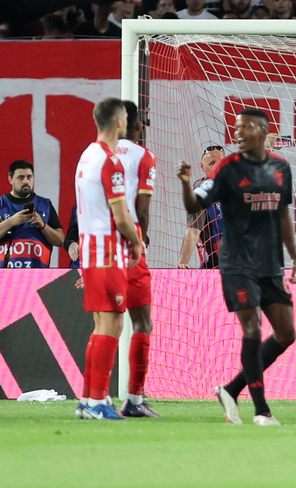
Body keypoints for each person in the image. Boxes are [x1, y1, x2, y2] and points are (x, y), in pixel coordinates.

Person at [177, 109, 296, 426]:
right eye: (236, 127)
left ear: (262, 130)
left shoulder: (280, 168)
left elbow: (283, 215)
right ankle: (261, 410)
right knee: (252, 328)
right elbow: (194, 206)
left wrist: (294, 257)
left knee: (286, 334)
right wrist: (185, 183)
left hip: (270, 264)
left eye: (245, 127)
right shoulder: (226, 169)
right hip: (237, 262)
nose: (238, 132)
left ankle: (231, 389)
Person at [74, 98, 144, 420]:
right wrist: (137, 242)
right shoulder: (109, 162)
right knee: (113, 323)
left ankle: (88, 399)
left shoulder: (85, 156)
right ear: (119, 122)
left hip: (90, 252)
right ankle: (99, 402)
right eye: (126, 118)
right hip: (106, 253)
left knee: (101, 324)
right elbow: (121, 215)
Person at [114, 101, 161, 417]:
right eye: (141, 121)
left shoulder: (94, 154)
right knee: (141, 321)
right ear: (134, 124)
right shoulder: (143, 157)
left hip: (99, 246)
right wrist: (139, 240)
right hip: (128, 244)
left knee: (105, 323)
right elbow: (141, 210)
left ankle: (95, 399)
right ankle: (133, 398)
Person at [0, 160, 64, 267]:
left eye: (29, 177)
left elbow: (60, 241)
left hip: (38, 276)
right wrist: (11, 221)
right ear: (10, 179)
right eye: (21, 178)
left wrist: (42, 225)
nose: (26, 181)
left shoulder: (45, 205)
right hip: (2, 277)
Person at [179, 145, 225, 269]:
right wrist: (182, 263)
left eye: (220, 163)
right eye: (212, 164)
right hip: (214, 268)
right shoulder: (201, 192)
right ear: (202, 167)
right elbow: (193, 230)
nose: (217, 168)